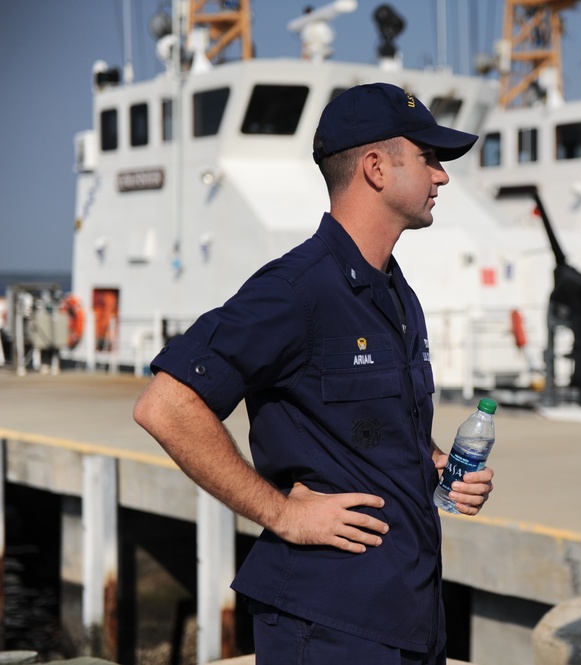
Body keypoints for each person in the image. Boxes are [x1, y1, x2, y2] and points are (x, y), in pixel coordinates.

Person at [133, 82, 494, 664]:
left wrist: (439, 467)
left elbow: (373, 427)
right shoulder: (296, 290)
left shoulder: (396, 294)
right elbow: (165, 405)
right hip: (328, 624)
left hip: (408, 614)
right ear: (376, 168)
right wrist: (281, 513)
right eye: (429, 159)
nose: (442, 177)